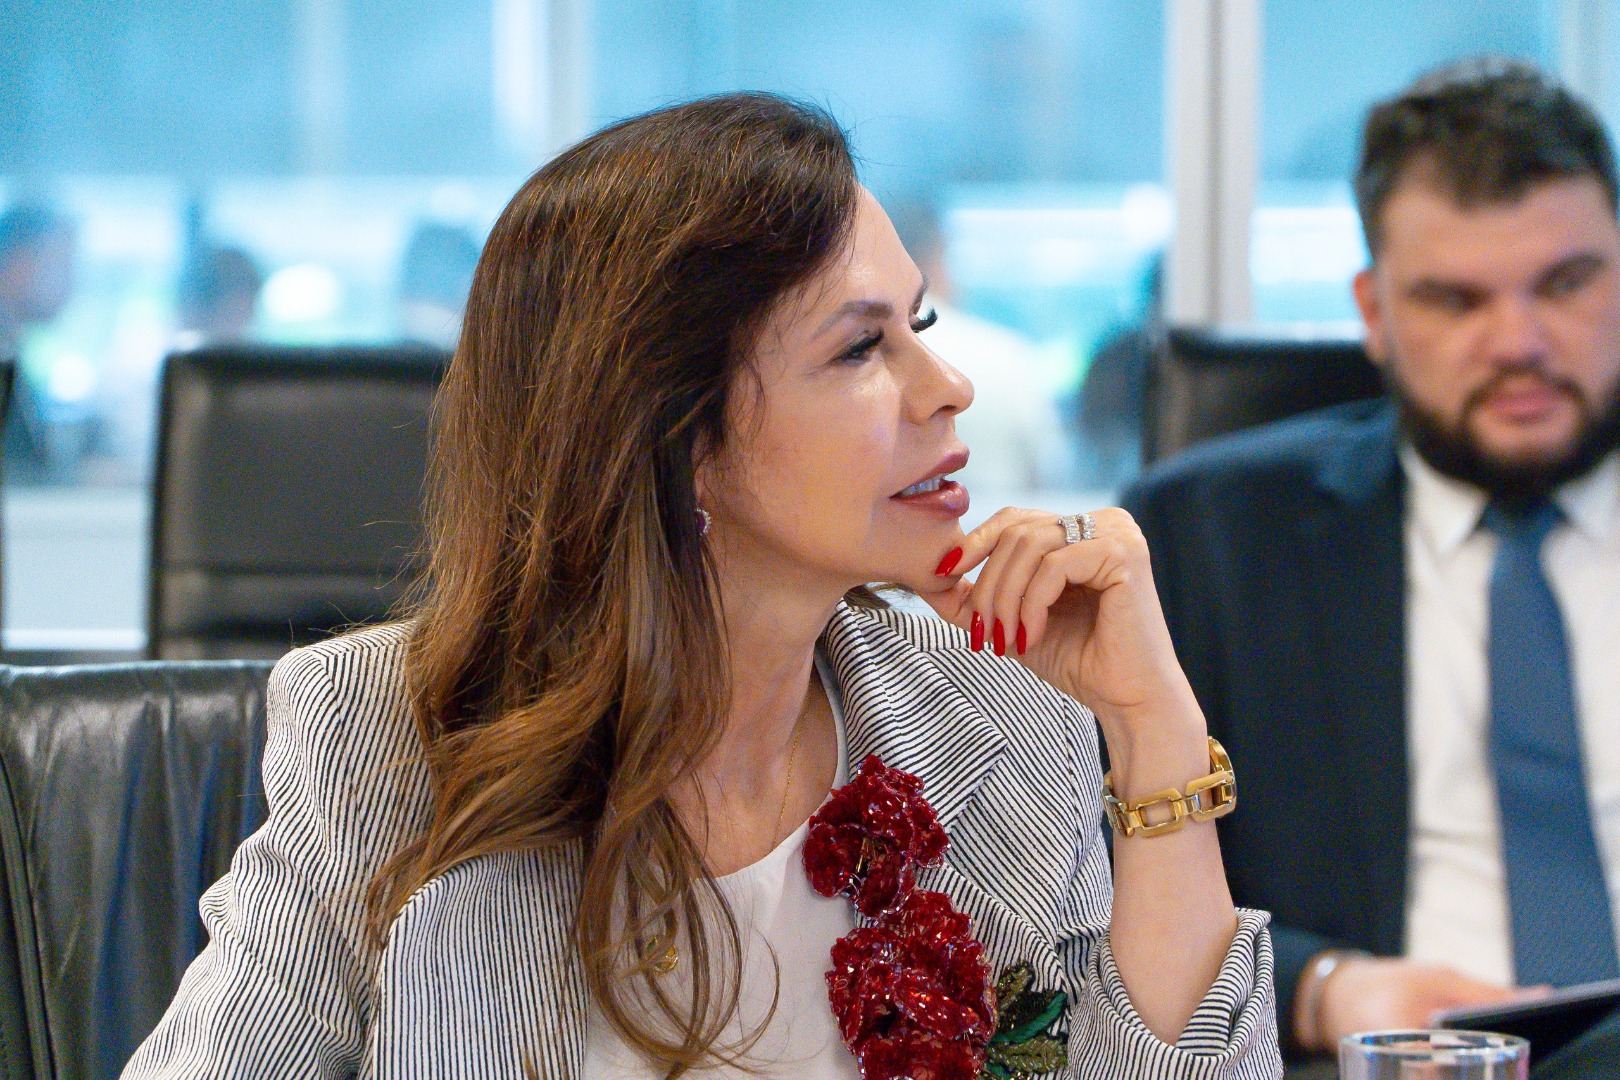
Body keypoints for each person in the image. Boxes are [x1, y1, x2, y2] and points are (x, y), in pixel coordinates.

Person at [125, 94, 1279, 1078]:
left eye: (919, 322)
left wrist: (1155, 730)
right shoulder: (389, 733)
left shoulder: (1003, 712)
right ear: (673, 439)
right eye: (861, 348)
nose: (949, 385)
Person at [1122, 59, 1620, 1060]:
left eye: (1565, 283)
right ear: (1374, 313)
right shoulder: (1207, 537)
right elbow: (1088, 876)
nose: (1520, 342)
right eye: (1455, 299)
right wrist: (1319, 991)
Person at [886, 200, 1073, 494]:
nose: (960, 392)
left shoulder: (1006, 353)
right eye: (858, 349)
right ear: (939, 254)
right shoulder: (1007, 354)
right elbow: (1048, 473)